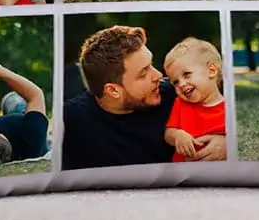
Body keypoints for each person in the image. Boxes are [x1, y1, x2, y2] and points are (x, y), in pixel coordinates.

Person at [62, 25, 227, 169]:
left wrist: (227, 144)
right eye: (143, 73)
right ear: (113, 90)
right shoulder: (72, 121)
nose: (158, 75)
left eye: (151, 65)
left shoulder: (175, 93)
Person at [163, 37, 226, 163]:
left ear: (211, 70)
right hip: (184, 174)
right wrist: (177, 136)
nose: (181, 84)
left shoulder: (229, 108)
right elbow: (168, 133)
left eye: (186, 74)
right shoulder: (181, 104)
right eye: (175, 82)